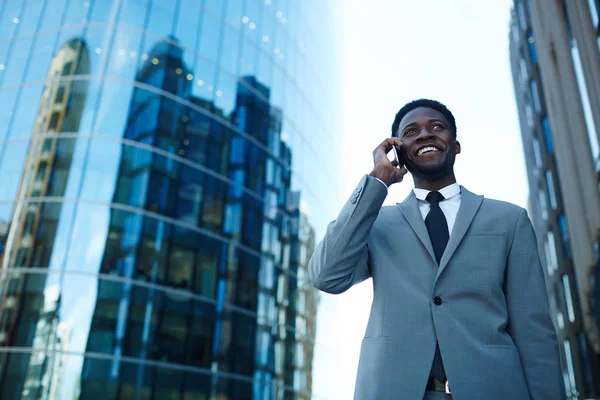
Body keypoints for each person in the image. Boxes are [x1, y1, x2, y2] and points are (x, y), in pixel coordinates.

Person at [308, 99, 563, 399]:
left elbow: (534, 332)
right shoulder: (376, 222)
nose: (425, 134)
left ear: (455, 145)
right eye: (411, 131)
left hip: (495, 388)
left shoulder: (509, 219)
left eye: (437, 127)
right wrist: (378, 180)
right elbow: (326, 276)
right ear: (399, 152)